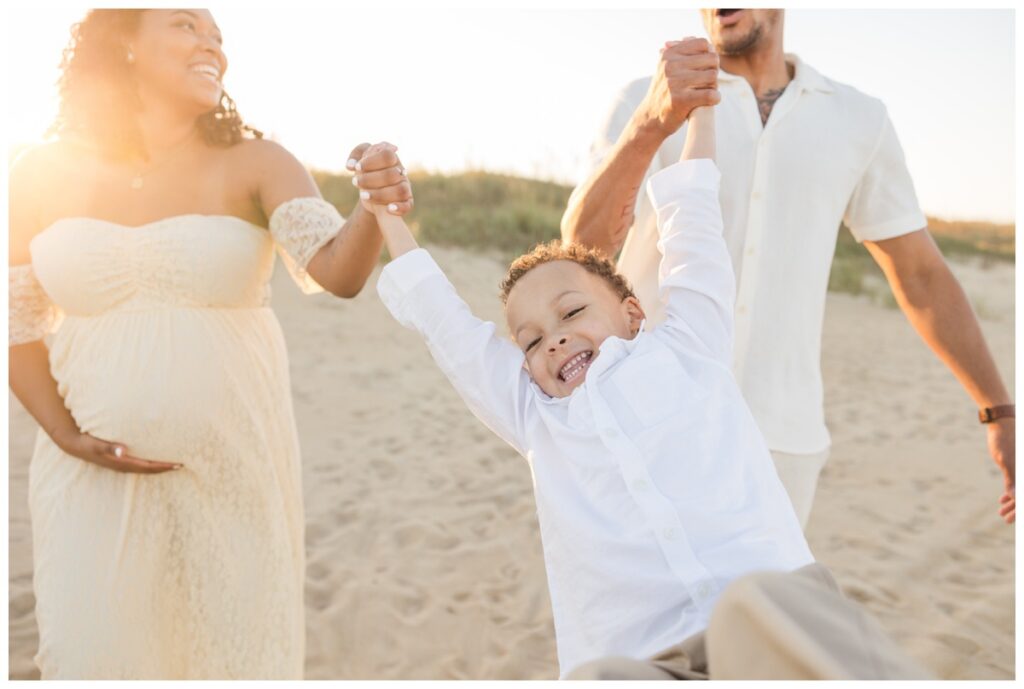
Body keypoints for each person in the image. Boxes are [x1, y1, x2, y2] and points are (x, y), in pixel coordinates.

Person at [365, 92, 928, 679]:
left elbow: (694, 229)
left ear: (634, 312)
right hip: (647, 656)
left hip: (767, 616)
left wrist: (702, 110)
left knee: (760, 601)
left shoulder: (688, 344)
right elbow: (445, 325)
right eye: (530, 342)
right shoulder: (535, 417)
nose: (552, 341)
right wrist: (386, 215)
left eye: (571, 312)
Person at [8, 9, 410, 679]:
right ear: (126, 45)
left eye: (218, 38)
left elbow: (338, 273)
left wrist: (373, 205)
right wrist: (64, 433)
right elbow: (16, 323)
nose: (211, 47)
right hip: (86, 481)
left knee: (231, 653)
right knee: (90, 654)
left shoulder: (258, 162)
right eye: (186, 26)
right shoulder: (39, 172)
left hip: (231, 470)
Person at [561, 10, 1015, 528]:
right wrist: (649, 124)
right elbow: (580, 250)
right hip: (644, 425)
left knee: (758, 611)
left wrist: (998, 410)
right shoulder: (647, 96)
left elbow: (921, 276)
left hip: (780, 447)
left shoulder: (857, 119)